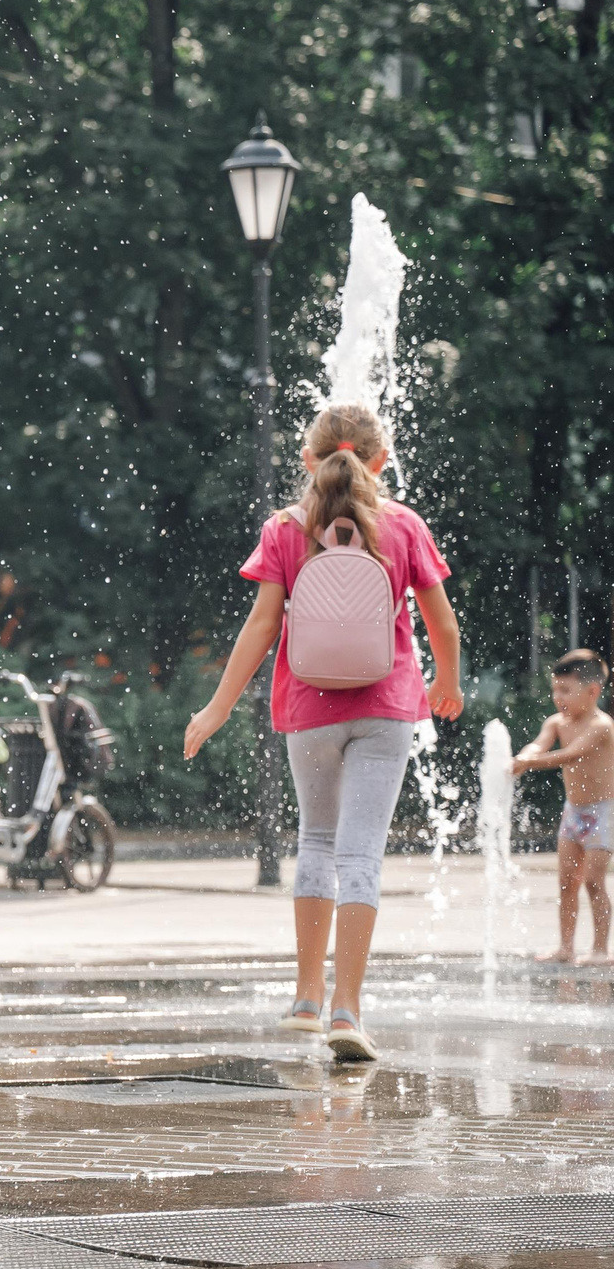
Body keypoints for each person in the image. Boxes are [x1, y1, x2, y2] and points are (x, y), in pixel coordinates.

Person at [185, 402, 462, 1063]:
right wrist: (444, 683)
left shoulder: (286, 527)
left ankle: (306, 998)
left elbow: (261, 625)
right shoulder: (402, 526)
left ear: (308, 460)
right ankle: (348, 1010)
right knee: (361, 855)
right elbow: (442, 624)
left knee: (315, 840)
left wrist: (217, 707)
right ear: (382, 461)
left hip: (308, 707)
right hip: (387, 705)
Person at [512, 649, 614, 964]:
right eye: (555, 689)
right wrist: (525, 754)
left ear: (592, 691)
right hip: (574, 811)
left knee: (594, 881)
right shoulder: (556, 722)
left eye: (566, 690)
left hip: (603, 811)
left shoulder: (601, 725)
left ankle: (600, 950)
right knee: (567, 882)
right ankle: (565, 947)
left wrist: (529, 763)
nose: (558, 697)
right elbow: (539, 744)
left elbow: (570, 755)